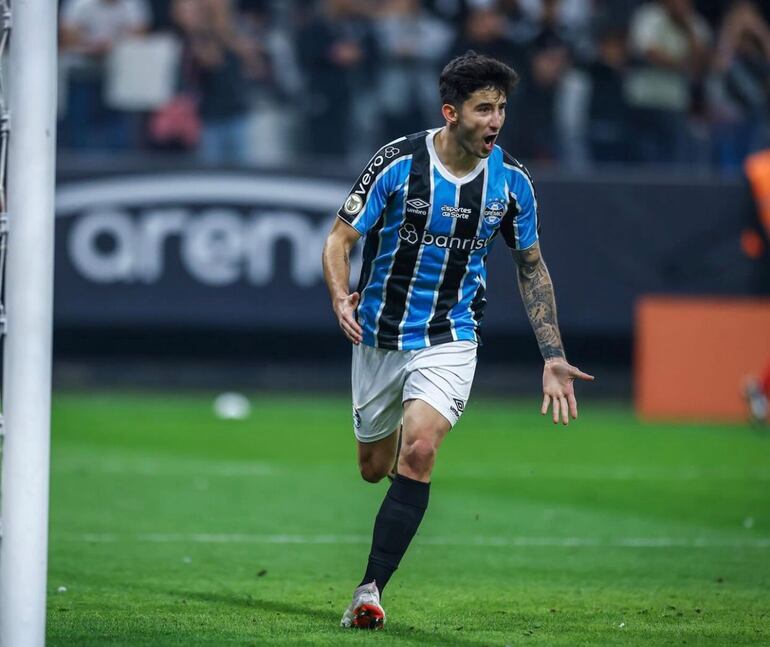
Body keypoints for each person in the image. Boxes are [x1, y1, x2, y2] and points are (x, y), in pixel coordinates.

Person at [321, 51, 594, 630]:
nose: (495, 121)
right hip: (380, 336)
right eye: (483, 109)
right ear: (451, 112)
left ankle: (369, 591)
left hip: (451, 335)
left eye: (501, 109)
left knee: (419, 452)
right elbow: (339, 238)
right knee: (375, 468)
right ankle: (393, 433)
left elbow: (531, 266)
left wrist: (553, 355)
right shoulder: (397, 162)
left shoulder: (512, 182)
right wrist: (341, 295)